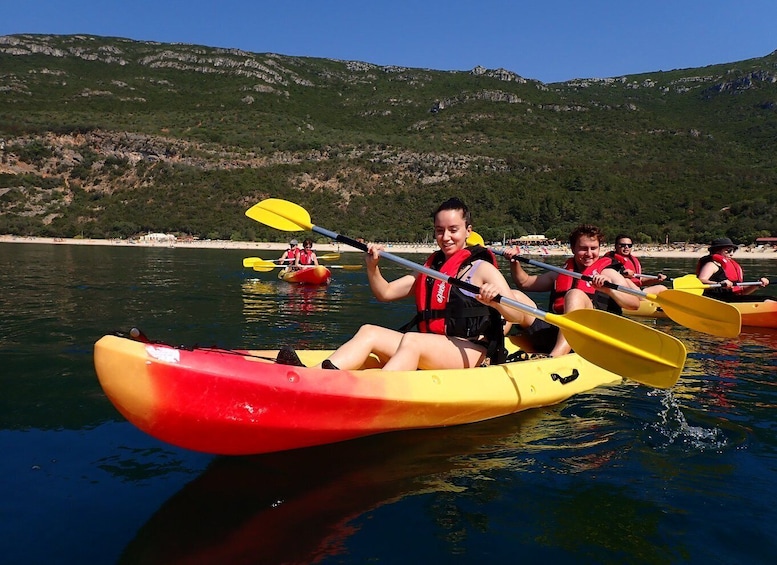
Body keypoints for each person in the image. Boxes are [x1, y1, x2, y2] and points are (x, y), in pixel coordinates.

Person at [277, 197, 540, 371]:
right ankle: (320, 377)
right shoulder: (430, 269)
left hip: (469, 350)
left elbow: (517, 314)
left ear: (468, 231)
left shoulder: (483, 268)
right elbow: (386, 293)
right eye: (439, 230)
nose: (445, 237)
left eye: (453, 229)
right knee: (369, 331)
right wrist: (373, 266)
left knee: (412, 340)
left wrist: (494, 300)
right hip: (433, 345)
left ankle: (376, 390)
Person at [504, 224, 641, 357]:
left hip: (590, 338)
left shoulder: (609, 273)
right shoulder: (561, 273)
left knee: (574, 294)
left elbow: (634, 304)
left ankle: (556, 356)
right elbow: (525, 282)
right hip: (555, 332)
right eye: (583, 248)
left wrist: (610, 291)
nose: (589, 254)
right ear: (573, 248)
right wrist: (514, 262)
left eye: (594, 248)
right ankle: (491, 346)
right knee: (512, 296)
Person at [696, 237, 771, 302]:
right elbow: (701, 280)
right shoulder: (711, 265)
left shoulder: (733, 266)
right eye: (728, 251)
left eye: (733, 251)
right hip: (717, 299)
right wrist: (720, 283)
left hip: (731, 299)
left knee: (770, 299)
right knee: (767, 301)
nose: (731, 253)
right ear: (717, 251)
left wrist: (756, 285)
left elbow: (742, 292)